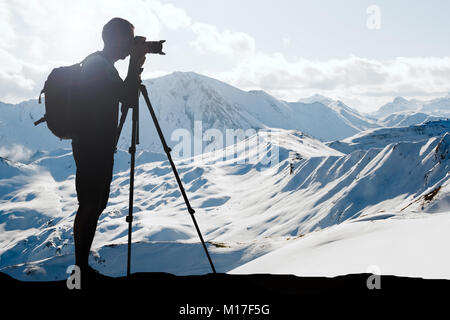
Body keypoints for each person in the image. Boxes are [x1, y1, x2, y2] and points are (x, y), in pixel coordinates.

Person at [71, 17, 147, 281]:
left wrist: (135, 62)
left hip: (96, 145)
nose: (130, 47)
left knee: (94, 204)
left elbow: (122, 98)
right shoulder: (98, 66)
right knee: (90, 205)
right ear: (115, 39)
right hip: (92, 146)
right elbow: (127, 98)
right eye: (129, 40)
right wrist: (136, 65)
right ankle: (79, 274)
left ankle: (81, 271)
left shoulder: (101, 65)